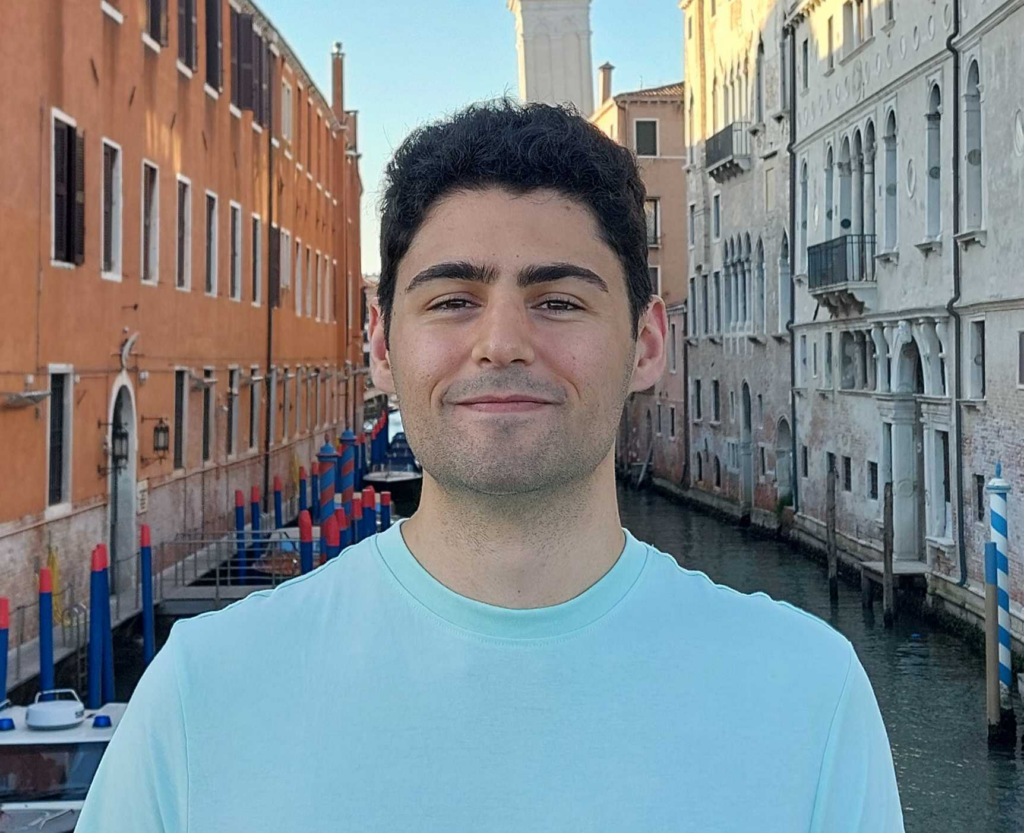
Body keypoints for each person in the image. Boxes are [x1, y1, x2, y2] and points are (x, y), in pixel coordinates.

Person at [78, 101, 903, 832]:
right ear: (379, 344)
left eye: (558, 301)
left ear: (647, 345)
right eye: (452, 300)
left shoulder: (807, 696)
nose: (502, 342)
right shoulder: (200, 695)